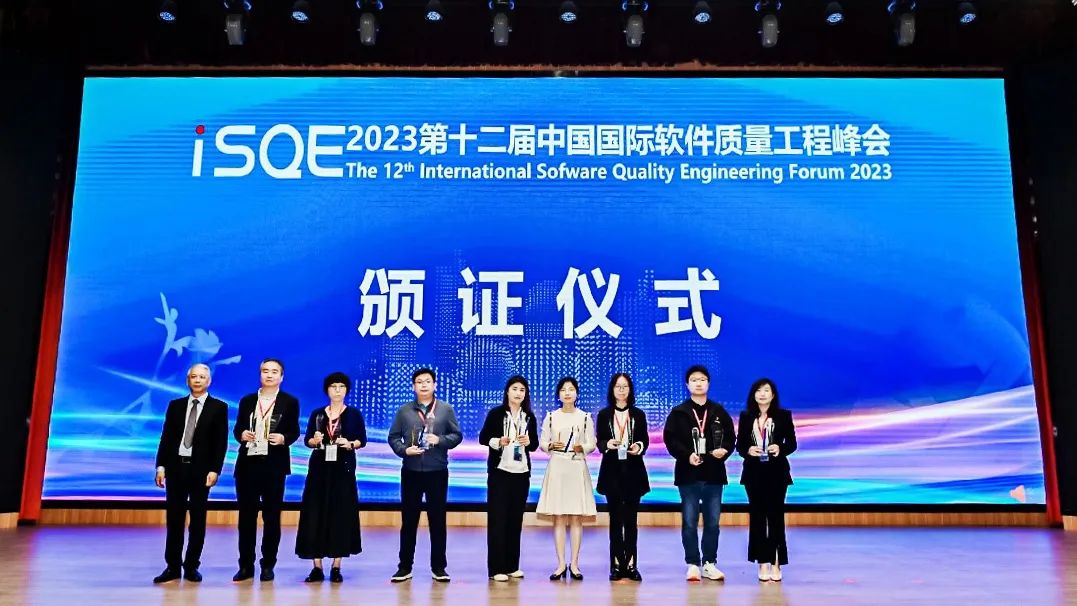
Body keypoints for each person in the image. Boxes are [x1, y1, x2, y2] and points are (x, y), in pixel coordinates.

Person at [152, 364, 229, 584]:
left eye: (202, 377)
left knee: (197, 520)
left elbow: (220, 442)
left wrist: (215, 469)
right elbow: (166, 438)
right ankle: (172, 566)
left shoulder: (219, 407)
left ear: (209, 381)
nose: (197, 380)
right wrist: (161, 466)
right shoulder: (175, 405)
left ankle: (192, 566)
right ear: (188, 380)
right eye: (193, 376)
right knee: (174, 519)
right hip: (176, 468)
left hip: (201, 471)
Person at [387, 367, 463, 583]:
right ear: (413, 386)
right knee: (409, 521)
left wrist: (440, 440)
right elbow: (393, 437)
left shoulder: (445, 409)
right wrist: (404, 450)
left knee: (437, 521)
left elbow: (457, 435)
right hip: (411, 471)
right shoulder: (404, 411)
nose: (423, 385)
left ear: (434, 385)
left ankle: (439, 568)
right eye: (419, 382)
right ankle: (404, 567)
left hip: (437, 471)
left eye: (427, 381)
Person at [662, 364, 736, 583]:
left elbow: (731, 438)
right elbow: (670, 439)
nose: (698, 383)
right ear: (687, 385)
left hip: (714, 473)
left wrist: (725, 450)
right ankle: (693, 564)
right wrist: (687, 456)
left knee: (713, 522)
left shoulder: (719, 411)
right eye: (694, 380)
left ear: (708, 384)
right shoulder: (679, 412)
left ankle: (709, 563)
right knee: (689, 522)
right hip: (688, 474)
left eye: (702, 379)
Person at [232, 358, 301, 582]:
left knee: (271, 518)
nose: (269, 375)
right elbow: (237, 429)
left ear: (281, 376)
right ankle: (245, 565)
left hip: (274, 466)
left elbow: (294, 431)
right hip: (248, 465)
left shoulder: (290, 402)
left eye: (274, 372)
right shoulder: (247, 400)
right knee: (246, 518)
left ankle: (268, 565)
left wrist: (283, 438)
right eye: (265, 371)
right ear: (260, 374)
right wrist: (241, 434)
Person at [295, 372, 368, 583]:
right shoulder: (317, 414)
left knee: (340, 514)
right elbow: (308, 440)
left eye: (341, 387)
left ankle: (336, 565)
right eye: (333, 386)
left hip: (343, 469)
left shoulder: (353, 414)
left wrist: (350, 444)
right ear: (327, 390)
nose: (337, 390)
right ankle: (316, 566)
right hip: (319, 469)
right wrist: (314, 440)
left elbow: (362, 439)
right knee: (315, 514)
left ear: (347, 390)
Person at [479, 375, 540, 582]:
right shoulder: (496, 414)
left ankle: (512, 566)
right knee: (498, 520)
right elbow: (483, 438)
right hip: (500, 472)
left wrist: (528, 441)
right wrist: (498, 441)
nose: (518, 393)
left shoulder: (529, 417)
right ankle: (496, 568)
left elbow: (534, 445)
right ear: (507, 391)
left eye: (522, 390)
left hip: (521, 473)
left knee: (515, 520)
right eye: (515, 389)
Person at [736, 378, 797, 582]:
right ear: (753, 395)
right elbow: (739, 445)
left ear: (773, 395)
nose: (762, 394)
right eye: (758, 390)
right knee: (758, 518)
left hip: (777, 472)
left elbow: (792, 443)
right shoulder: (746, 417)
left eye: (766, 390)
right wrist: (748, 450)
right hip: (753, 473)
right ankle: (762, 561)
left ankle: (776, 561)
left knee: (776, 517)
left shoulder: (783, 415)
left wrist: (781, 448)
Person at [537, 376, 597, 581]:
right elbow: (543, 442)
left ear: (577, 393)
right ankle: (561, 564)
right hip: (557, 466)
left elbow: (592, 443)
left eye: (571, 389)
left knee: (576, 517)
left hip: (577, 466)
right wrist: (550, 446)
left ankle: (575, 564)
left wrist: (583, 448)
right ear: (558, 394)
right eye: (563, 390)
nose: (567, 393)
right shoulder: (551, 417)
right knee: (559, 517)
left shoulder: (585, 417)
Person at [596, 372, 650, 582]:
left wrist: (639, 446)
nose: (621, 390)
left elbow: (644, 439)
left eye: (625, 386)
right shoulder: (604, 414)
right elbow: (600, 440)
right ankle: (617, 565)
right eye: (618, 386)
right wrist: (607, 444)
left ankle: (632, 564)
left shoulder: (638, 414)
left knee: (631, 521)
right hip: (612, 473)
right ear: (612, 389)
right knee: (616, 520)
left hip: (634, 472)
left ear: (630, 390)